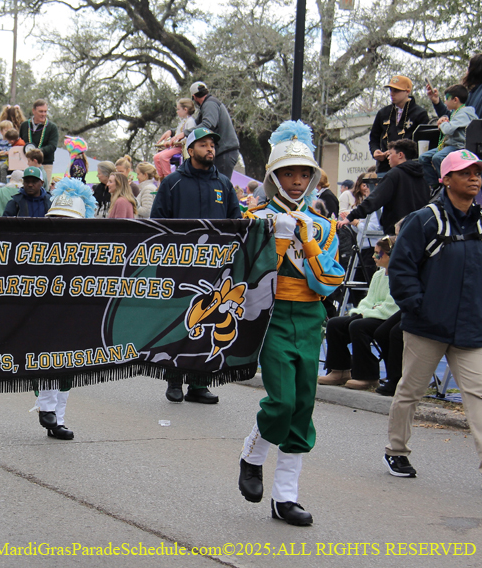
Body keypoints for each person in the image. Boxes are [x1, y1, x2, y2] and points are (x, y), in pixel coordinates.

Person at [237, 120, 345, 527]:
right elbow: (245, 276)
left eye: (304, 174)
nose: (297, 181)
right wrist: (276, 242)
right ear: (273, 177)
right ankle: (253, 454)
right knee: (281, 401)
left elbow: (328, 281)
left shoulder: (323, 224)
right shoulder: (254, 217)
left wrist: (308, 241)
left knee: (303, 406)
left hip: (311, 315)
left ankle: (286, 497)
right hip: (273, 316)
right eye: (288, 173)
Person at [383, 149, 482, 489]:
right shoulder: (425, 220)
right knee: (411, 390)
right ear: (446, 179)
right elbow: (400, 268)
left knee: (479, 396)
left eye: (477, 172)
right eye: (465, 172)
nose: (474, 177)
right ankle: (396, 450)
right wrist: (418, 307)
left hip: (472, 329)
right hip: (427, 326)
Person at [152, 127, 240, 405]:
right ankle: (174, 380)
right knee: (180, 322)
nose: (210, 149)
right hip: (180, 269)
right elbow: (158, 223)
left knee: (211, 321)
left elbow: (236, 223)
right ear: (190, 150)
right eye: (203, 144)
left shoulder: (224, 184)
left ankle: (199, 384)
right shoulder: (173, 183)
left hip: (216, 269)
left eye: (212, 144)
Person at [33, 177, 98, 441]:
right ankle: (46, 406)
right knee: (45, 359)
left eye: (67, 219)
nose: (61, 224)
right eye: (56, 218)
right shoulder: (38, 246)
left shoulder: (90, 249)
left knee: (68, 365)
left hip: (74, 314)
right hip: (43, 313)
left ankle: (58, 420)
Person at [319, 236, 398, 388]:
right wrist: (360, 311)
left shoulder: (398, 275)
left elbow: (391, 306)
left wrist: (366, 314)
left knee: (358, 326)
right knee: (335, 323)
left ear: (389, 254)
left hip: (387, 317)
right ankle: (340, 369)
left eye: (378, 254)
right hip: (373, 313)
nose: (374, 257)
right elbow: (369, 300)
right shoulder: (379, 274)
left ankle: (368, 375)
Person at [338, 139, 430, 236]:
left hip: (398, 231)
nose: (388, 157)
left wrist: (351, 216)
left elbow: (375, 198)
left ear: (400, 155)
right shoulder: (421, 177)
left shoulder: (394, 174)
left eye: (390, 154)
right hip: (420, 229)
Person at [419, 85, 479, 189]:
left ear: (455, 100)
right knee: (423, 158)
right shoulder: (455, 112)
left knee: (438, 157)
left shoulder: (465, 113)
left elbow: (448, 129)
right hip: (449, 146)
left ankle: (447, 184)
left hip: (459, 146)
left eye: (446, 99)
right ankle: (434, 185)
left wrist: (442, 124)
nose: (445, 102)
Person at [369, 75, 429, 174]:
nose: (392, 94)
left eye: (396, 90)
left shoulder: (420, 113)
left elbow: (422, 144)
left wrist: (399, 153)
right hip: (384, 168)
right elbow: (374, 138)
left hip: (409, 169)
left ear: (407, 91)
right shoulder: (383, 113)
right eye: (391, 90)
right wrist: (375, 151)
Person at [190, 82, 240, 178]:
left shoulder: (210, 104)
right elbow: (195, 124)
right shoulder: (208, 104)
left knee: (220, 186)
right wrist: (173, 132)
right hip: (223, 152)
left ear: (194, 97)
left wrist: (184, 134)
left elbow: (208, 125)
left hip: (225, 152)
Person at [153, 98, 197, 179]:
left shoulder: (190, 121)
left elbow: (188, 138)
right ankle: (161, 178)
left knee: (163, 157)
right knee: (156, 157)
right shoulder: (183, 121)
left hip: (182, 148)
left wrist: (172, 142)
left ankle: (168, 178)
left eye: (178, 109)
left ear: (185, 110)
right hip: (175, 147)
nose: (177, 111)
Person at [19, 99, 60, 184]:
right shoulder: (24, 125)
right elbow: (20, 142)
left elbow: (52, 146)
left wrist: (37, 152)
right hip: (26, 164)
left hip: (45, 164)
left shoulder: (52, 127)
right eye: (41, 111)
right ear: (33, 111)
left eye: (45, 111)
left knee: (43, 189)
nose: (43, 114)